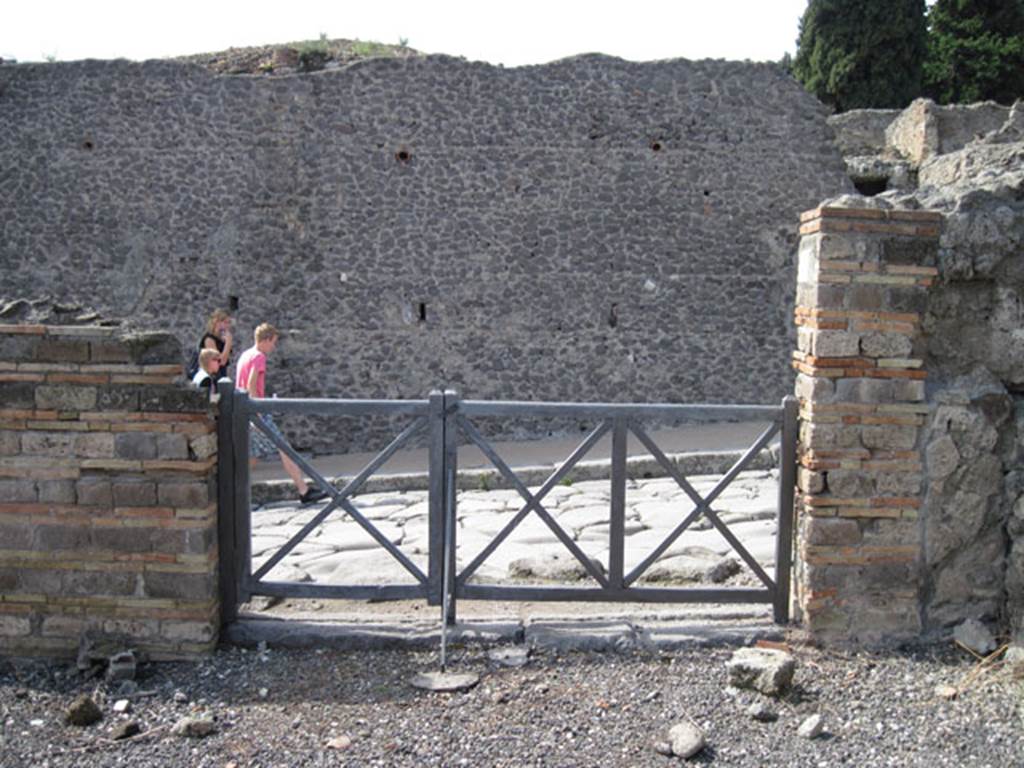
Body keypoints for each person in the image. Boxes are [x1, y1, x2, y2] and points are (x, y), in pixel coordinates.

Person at [235, 323, 326, 506]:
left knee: (252, 456)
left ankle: (234, 492)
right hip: (256, 411)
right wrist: (258, 412)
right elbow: (252, 383)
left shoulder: (245, 355)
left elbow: (241, 384)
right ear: (266, 339)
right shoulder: (259, 357)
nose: (273, 347)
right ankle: (304, 491)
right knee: (284, 449)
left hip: (244, 411)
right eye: (273, 342)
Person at [187, 309, 233, 380]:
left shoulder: (222, 340)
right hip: (211, 377)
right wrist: (228, 343)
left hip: (221, 374)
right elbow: (220, 362)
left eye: (228, 323)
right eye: (225, 322)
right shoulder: (209, 339)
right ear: (217, 322)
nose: (227, 325)